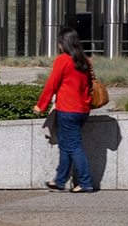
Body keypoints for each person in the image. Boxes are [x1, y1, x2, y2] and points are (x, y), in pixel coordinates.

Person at [35, 27, 97, 193]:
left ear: (63, 44)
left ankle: (85, 182)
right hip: (83, 110)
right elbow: (89, 85)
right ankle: (60, 181)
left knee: (74, 146)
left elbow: (52, 84)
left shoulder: (63, 60)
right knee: (65, 143)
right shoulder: (85, 61)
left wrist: (41, 105)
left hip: (68, 110)